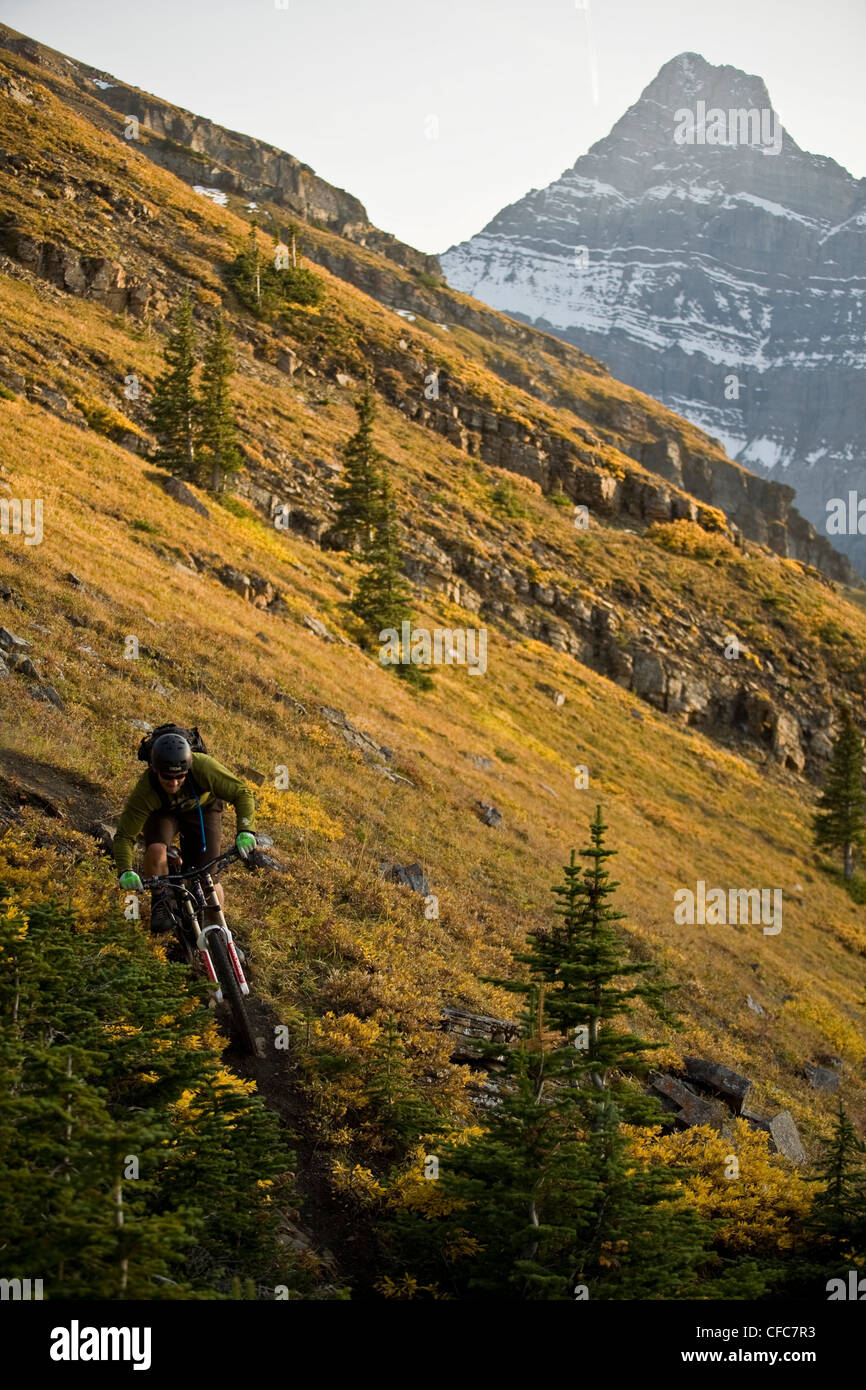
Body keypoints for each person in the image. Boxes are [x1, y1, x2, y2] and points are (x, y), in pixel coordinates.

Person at [113, 730, 257, 934]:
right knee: (155, 850)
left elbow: (242, 792)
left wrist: (245, 830)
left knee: (209, 877)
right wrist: (125, 870)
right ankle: (160, 902)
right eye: (167, 777)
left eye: (180, 777)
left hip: (203, 809)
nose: (174, 783)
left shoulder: (202, 766)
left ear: (188, 769)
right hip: (163, 813)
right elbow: (125, 836)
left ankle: (220, 934)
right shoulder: (146, 789)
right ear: (155, 770)